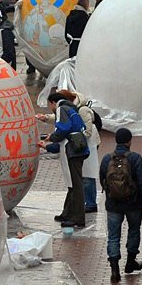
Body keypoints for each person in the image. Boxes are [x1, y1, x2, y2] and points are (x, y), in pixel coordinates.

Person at [99, 128, 142, 283]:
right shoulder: (135, 158)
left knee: (114, 235)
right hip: (133, 203)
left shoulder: (106, 159)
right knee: (134, 230)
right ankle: (130, 262)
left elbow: (103, 178)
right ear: (129, 141)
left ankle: (114, 269)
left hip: (113, 204)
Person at [37, 92, 89, 228]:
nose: (51, 109)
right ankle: (68, 213)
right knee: (73, 183)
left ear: (53, 103)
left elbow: (63, 130)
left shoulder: (61, 109)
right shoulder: (72, 109)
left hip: (72, 151)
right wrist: (48, 146)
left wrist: (51, 137)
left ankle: (77, 218)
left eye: (49, 105)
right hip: (77, 148)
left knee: (75, 185)